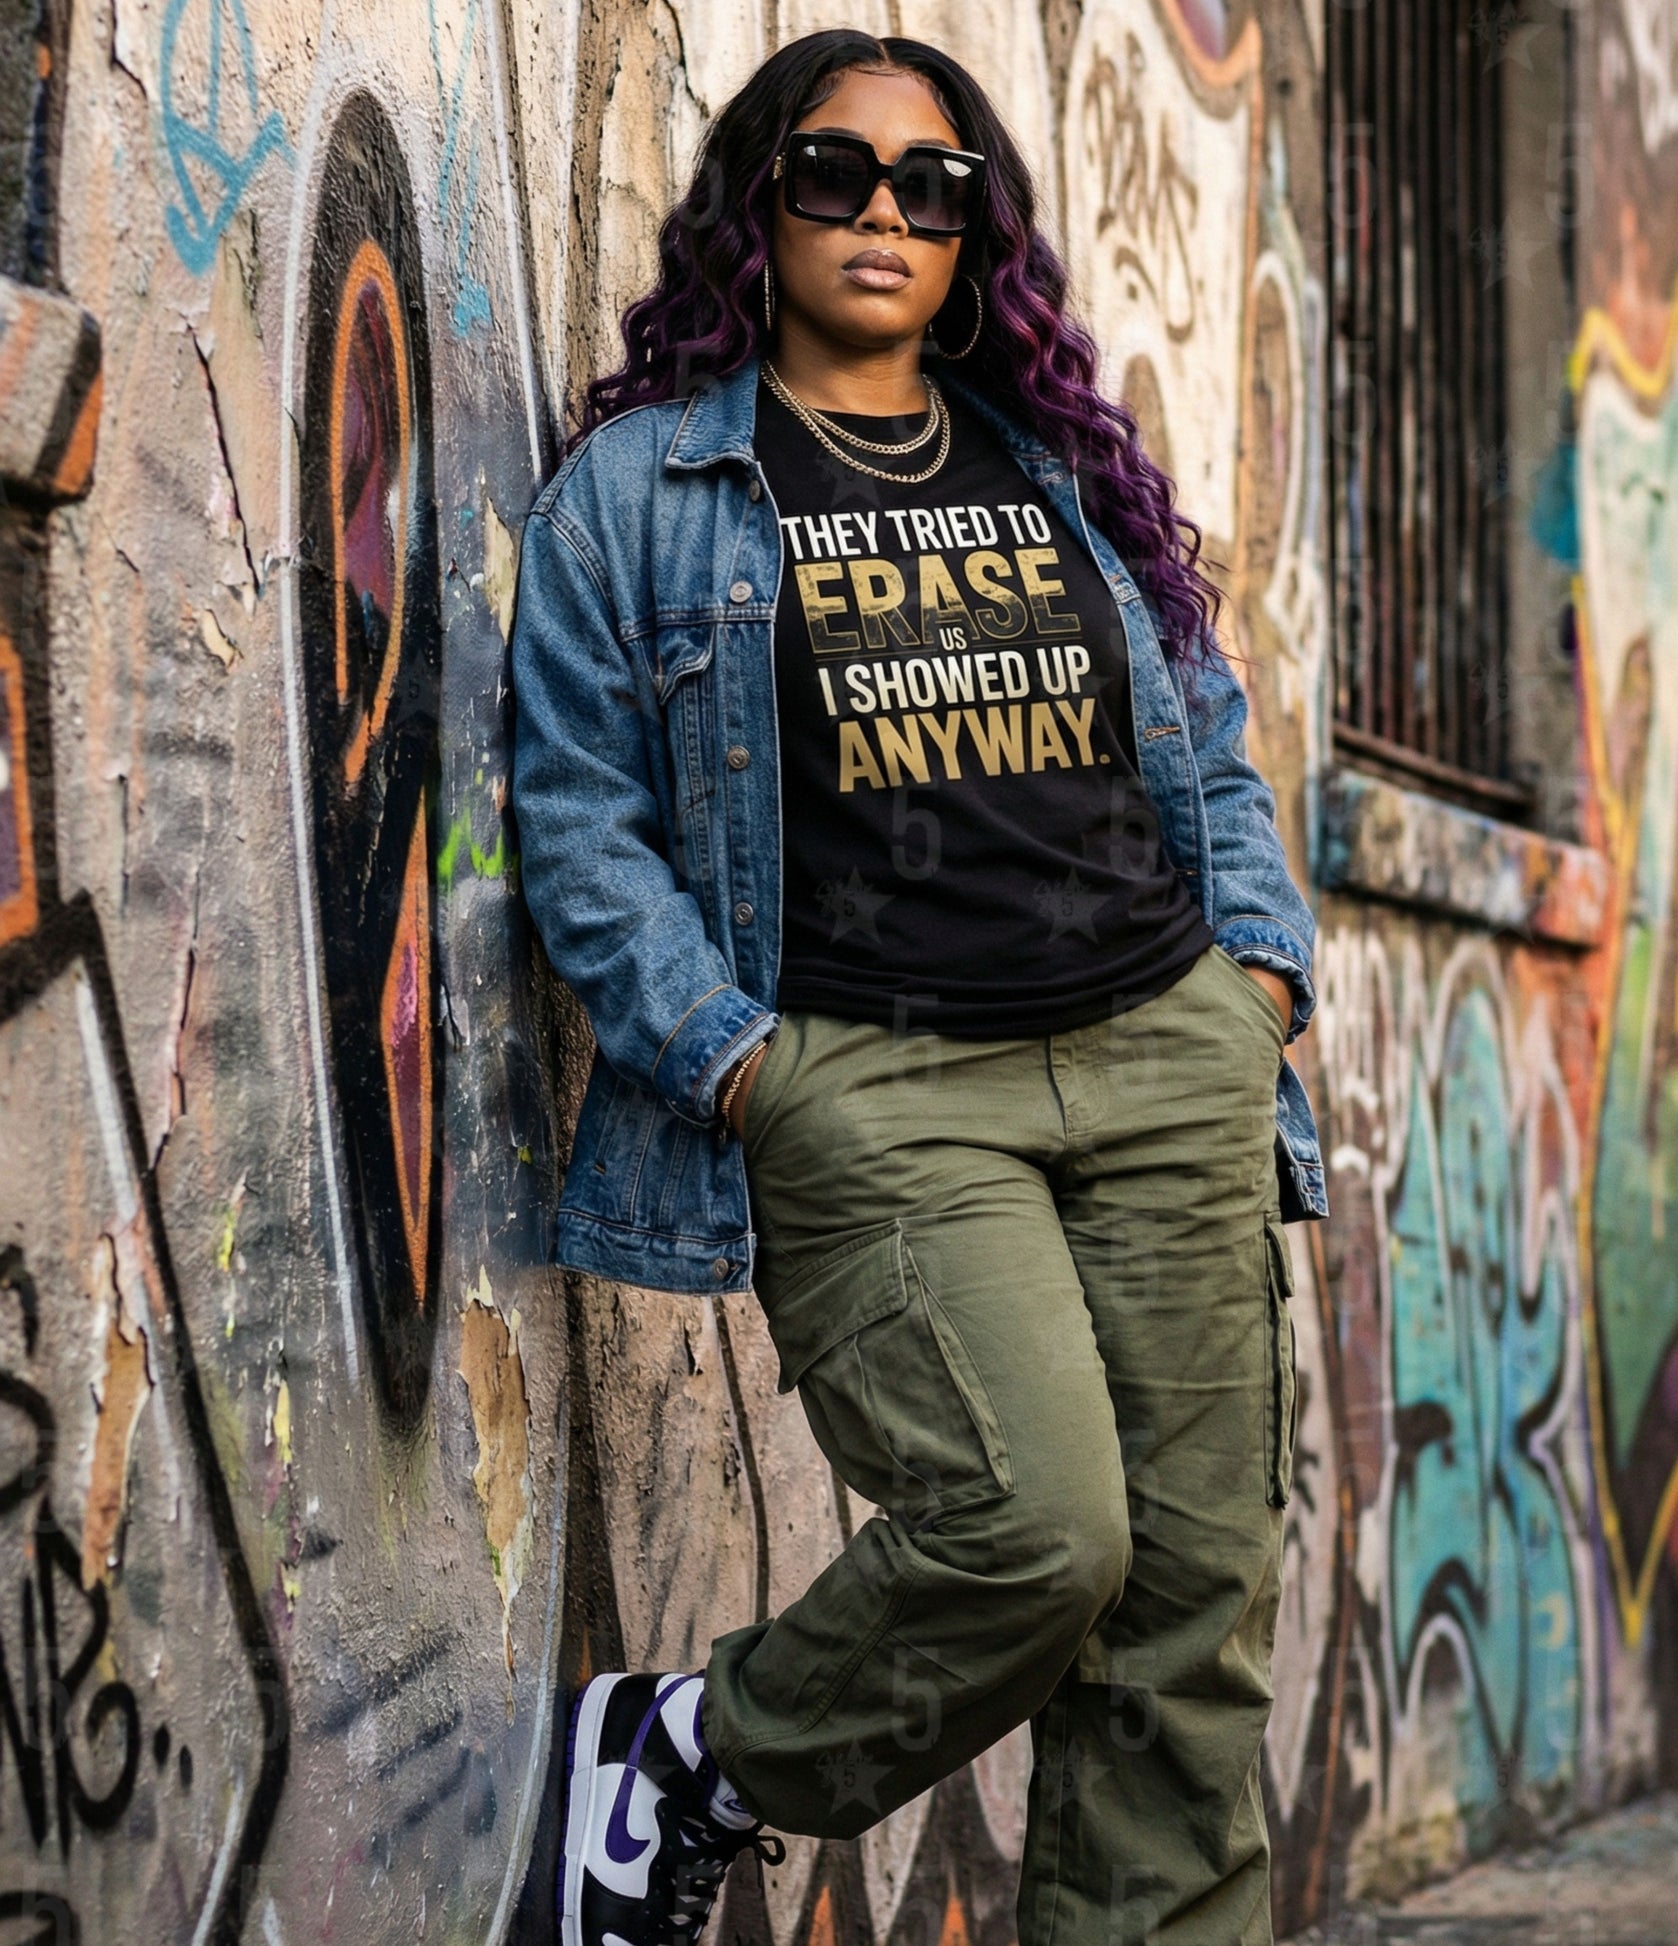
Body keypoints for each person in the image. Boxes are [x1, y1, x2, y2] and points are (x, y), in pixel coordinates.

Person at [510, 29, 1328, 1946]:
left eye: (929, 186)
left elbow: (1198, 743)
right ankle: (698, 1752)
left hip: (1166, 1053)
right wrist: (743, 1071)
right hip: (881, 1086)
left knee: (1192, 1619)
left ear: (975, 232)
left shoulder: (1054, 465)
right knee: (1037, 1532)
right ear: (757, 203)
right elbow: (577, 819)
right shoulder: (647, 488)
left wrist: (1258, 986)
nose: (883, 211)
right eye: (834, 173)